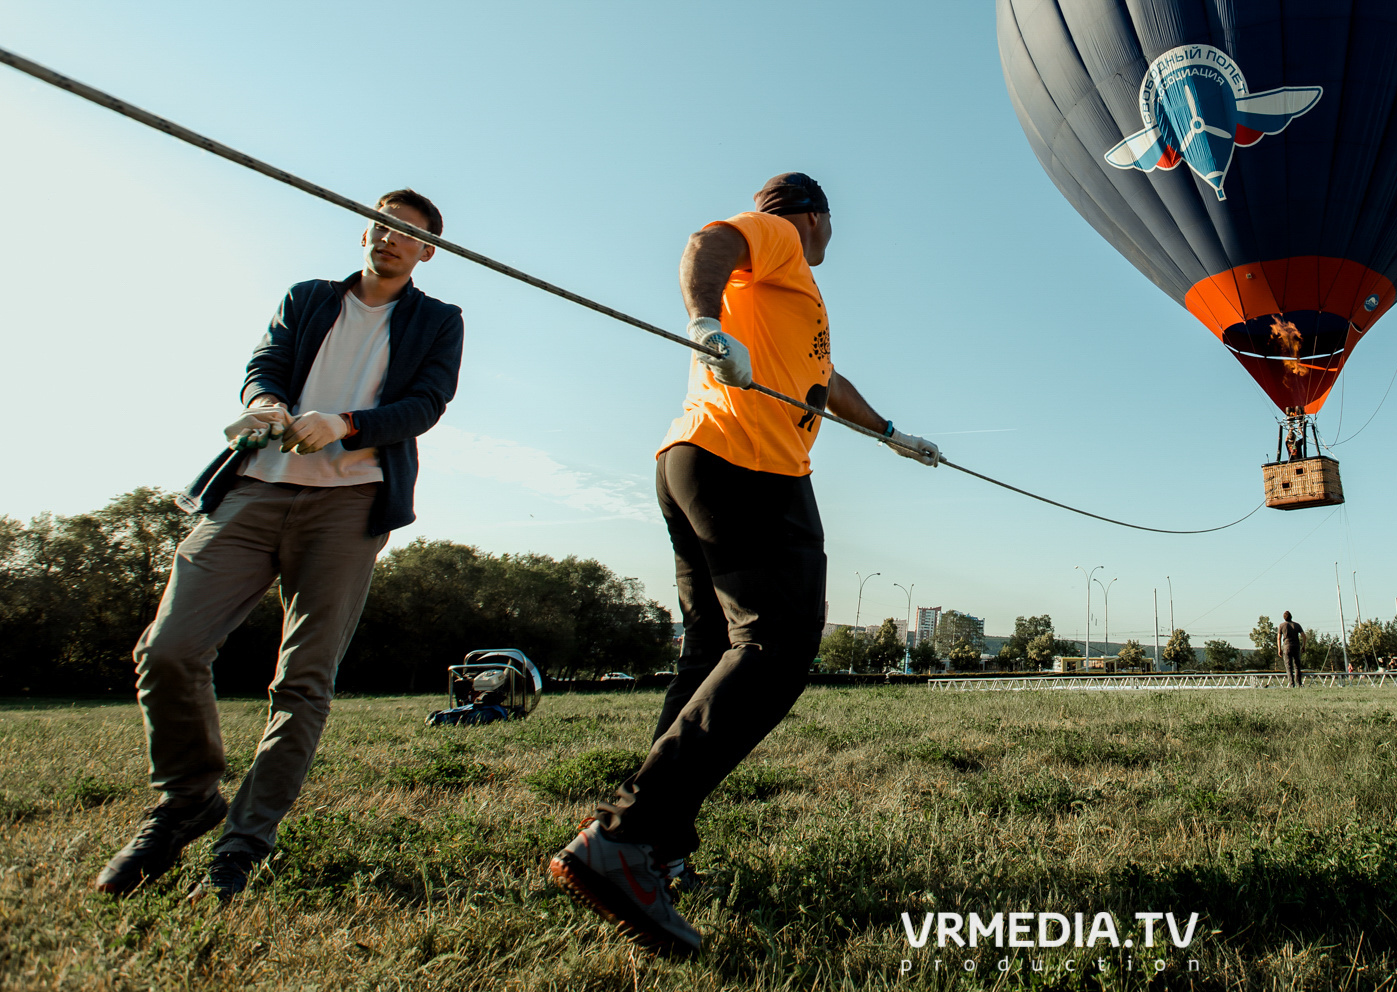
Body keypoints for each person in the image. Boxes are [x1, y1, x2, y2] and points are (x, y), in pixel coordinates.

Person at [548, 172, 936, 957]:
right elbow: (708, 242)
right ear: (818, 218)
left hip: (689, 459)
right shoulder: (782, 239)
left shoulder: (790, 304)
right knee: (779, 645)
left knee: (711, 654)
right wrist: (700, 322)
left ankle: (656, 846)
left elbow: (822, 386)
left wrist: (890, 430)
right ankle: (623, 840)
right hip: (750, 465)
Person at [93, 191, 464, 903]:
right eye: (382, 226)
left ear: (427, 253)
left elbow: (427, 404)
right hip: (256, 489)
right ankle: (187, 800)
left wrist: (346, 424)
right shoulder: (309, 297)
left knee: (301, 682)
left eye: (408, 235)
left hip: (350, 502)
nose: (390, 240)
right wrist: (265, 402)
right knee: (167, 649)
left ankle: (242, 845)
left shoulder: (438, 320)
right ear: (365, 232)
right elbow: (264, 365)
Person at [1277, 611, 1305, 687]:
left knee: (1288, 666)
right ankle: (1299, 683)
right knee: (1297, 666)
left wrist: (1279, 649)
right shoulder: (1297, 625)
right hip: (1296, 646)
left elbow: (1279, 638)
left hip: (1287, 646)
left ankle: (1291, 683)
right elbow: (1304, 636)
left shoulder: (1282, 625)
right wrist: (1303, 646)